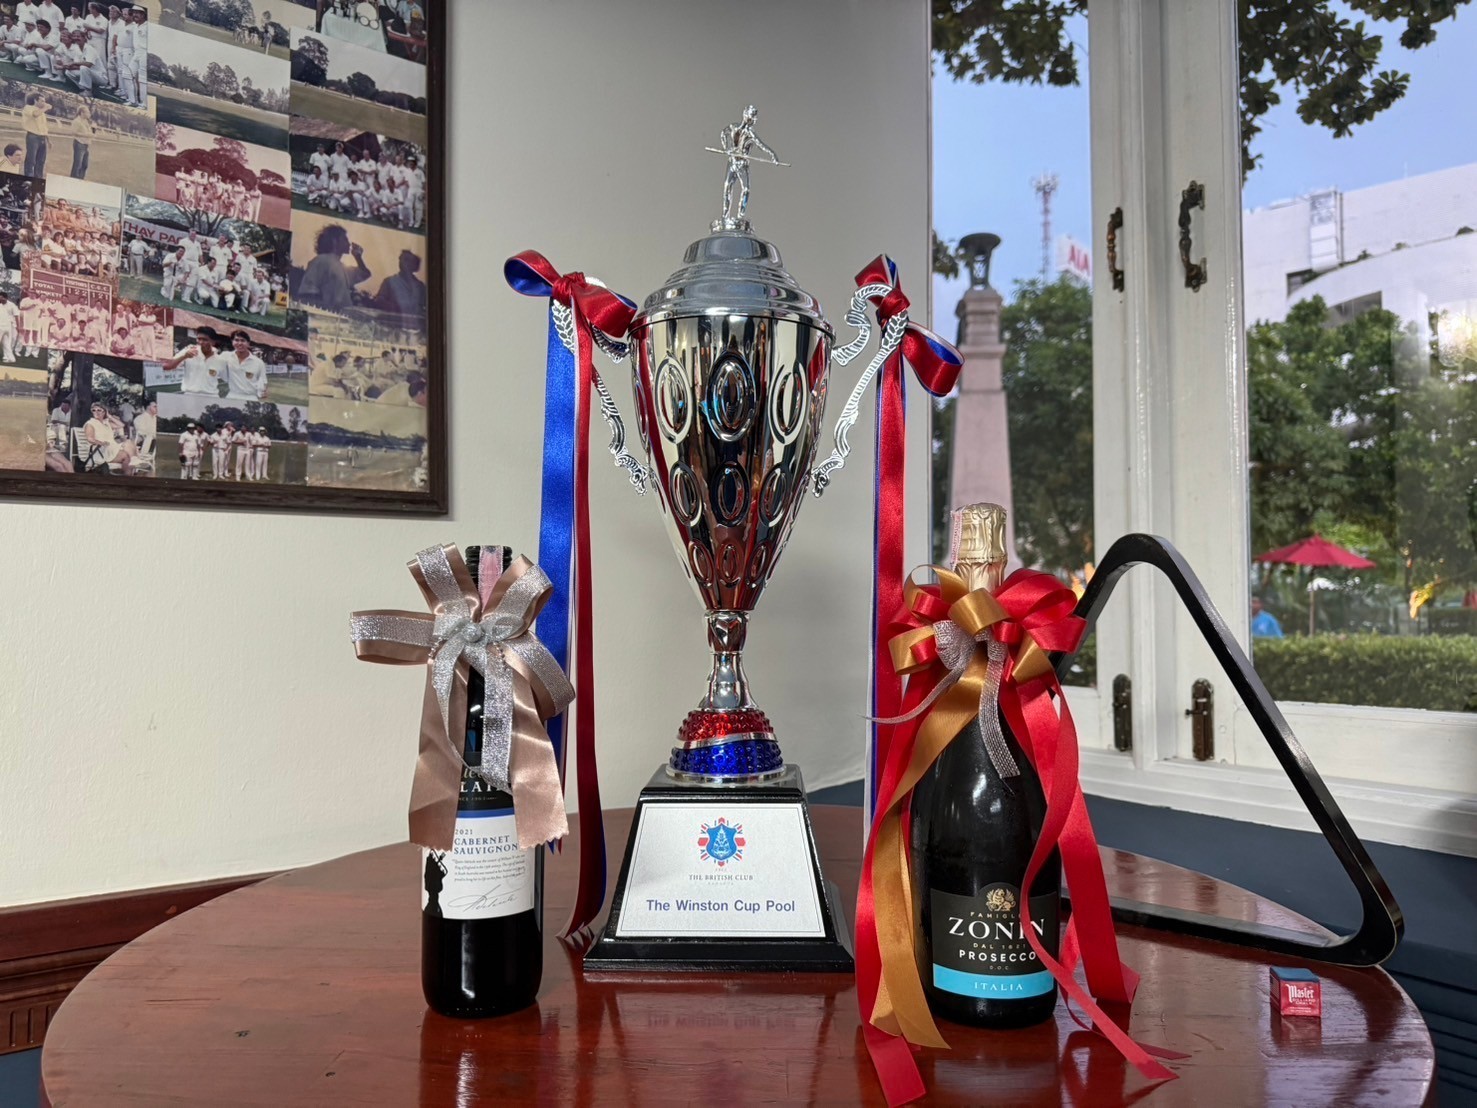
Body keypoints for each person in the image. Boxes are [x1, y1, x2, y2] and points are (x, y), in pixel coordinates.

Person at [297, 224, 369, 312]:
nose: (349, 243)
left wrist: (358, 257)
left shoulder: (342, 267)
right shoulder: (321, 260)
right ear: (334, 241)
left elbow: (364, 274)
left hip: (342, 317)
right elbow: (307, 292)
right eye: (345, 239)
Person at [162, 326, 222, 394]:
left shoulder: (219, 358)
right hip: (190, 395)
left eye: (205, 340)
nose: (201, 342)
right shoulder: (189, 351)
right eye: (199, 339)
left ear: (213, 342)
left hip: (211, 396)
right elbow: (166, 366)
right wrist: (184, 356)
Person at [82, 400, 137, 473]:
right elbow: (90, 438)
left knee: (129, 443)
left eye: (99, 410)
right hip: (101, 450)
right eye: (94, 410)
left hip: (111, 448)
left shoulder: (106, 423)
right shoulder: (90, 424)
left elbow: (121, 425)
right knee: (126, 456)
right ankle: (130, 472)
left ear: (104, 412)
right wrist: (102, 443)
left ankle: (134, 461)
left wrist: (109, 416)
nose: (96, 412)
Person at [374, 249, 425, 320]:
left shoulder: (420, 286)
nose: (402, 262)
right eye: (401, 259)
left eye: (407, 260)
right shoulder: (389, 281)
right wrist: (395, 307)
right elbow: (379, 300)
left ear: (415, 265)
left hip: (414, 323)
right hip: (393, 321)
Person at [222, 329, 266, 400]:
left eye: (243, 340)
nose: (239, 343)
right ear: (232, 342)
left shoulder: (259, 362)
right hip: (232, 395)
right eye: (236, 340)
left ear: (248, 343)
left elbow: (263, 381)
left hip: (250, 397)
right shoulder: (226, 356)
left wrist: (263, 392)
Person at [21, 92, 50, 179]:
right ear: (35, 100)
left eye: (44, 101)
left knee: (41, 161)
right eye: (42, 101)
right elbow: (35, 114)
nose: (44, 103)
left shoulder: (42, 112)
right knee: (31, 160)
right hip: (33, 137)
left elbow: (44, 127)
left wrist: (48, 140)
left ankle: (38, 178)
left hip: (42, 137)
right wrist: (45, 108)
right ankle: (28, 177)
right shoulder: (28, 108)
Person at [68, 97, 92, 180]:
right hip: (79, 144)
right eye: (87, 112)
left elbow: (89, 132)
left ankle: (80, 179)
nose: (89, 114)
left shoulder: (86, 121)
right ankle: (73, 179)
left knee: (85, 165)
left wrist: (91, 133)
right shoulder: (76, 121)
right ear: (82, 112)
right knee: (77, 164)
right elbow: (73, 132)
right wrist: (86, 135)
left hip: (86, 145)